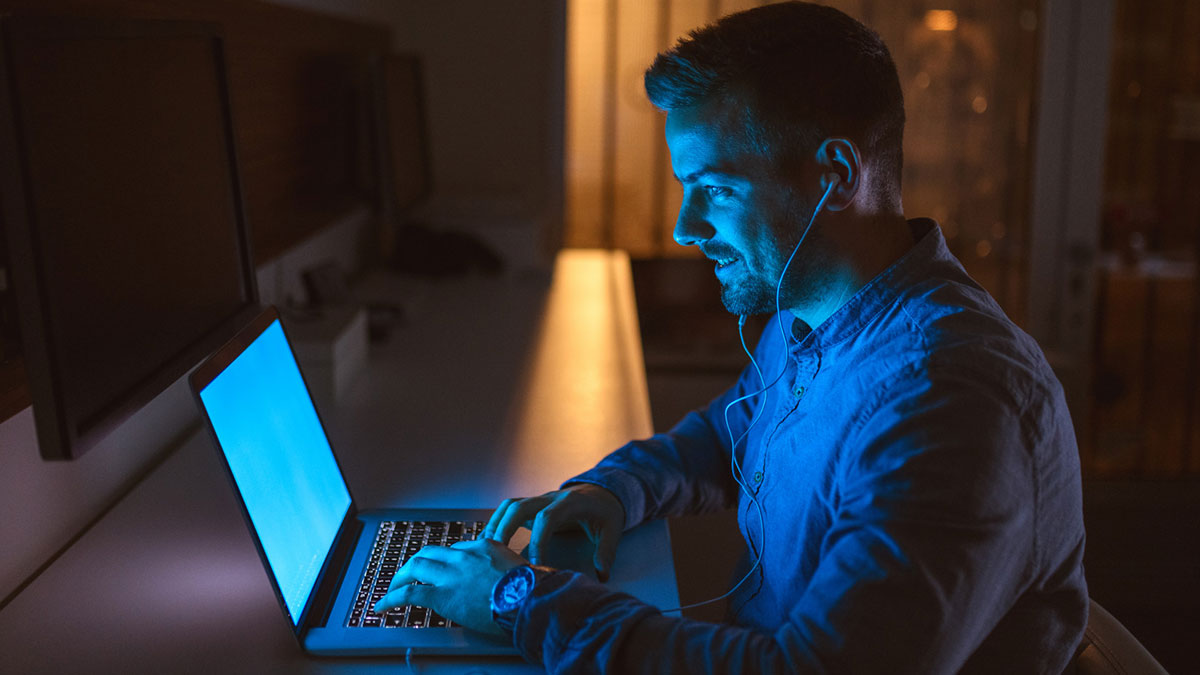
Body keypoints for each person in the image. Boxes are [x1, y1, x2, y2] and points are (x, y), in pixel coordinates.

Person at [375, 3, 1088, 672]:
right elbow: (729, 436)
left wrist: (519, 600)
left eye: (716, 189)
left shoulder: (952, 404)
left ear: (835, 176)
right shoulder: (809, 312)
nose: (686, 227)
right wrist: (616, 489)